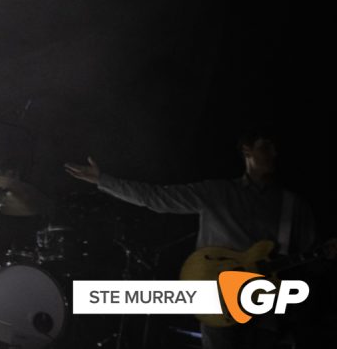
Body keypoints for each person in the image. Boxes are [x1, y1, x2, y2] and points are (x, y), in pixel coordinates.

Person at [66, 129, 335, 348]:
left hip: (267, 309)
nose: (274, 154)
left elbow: (312, 260)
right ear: (247, 151)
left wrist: (323, 257)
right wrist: (103, 180)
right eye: (266, 146)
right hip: (217, 304)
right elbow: (155, 198)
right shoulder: (218, 192)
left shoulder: (293, 205)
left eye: (276, 148)